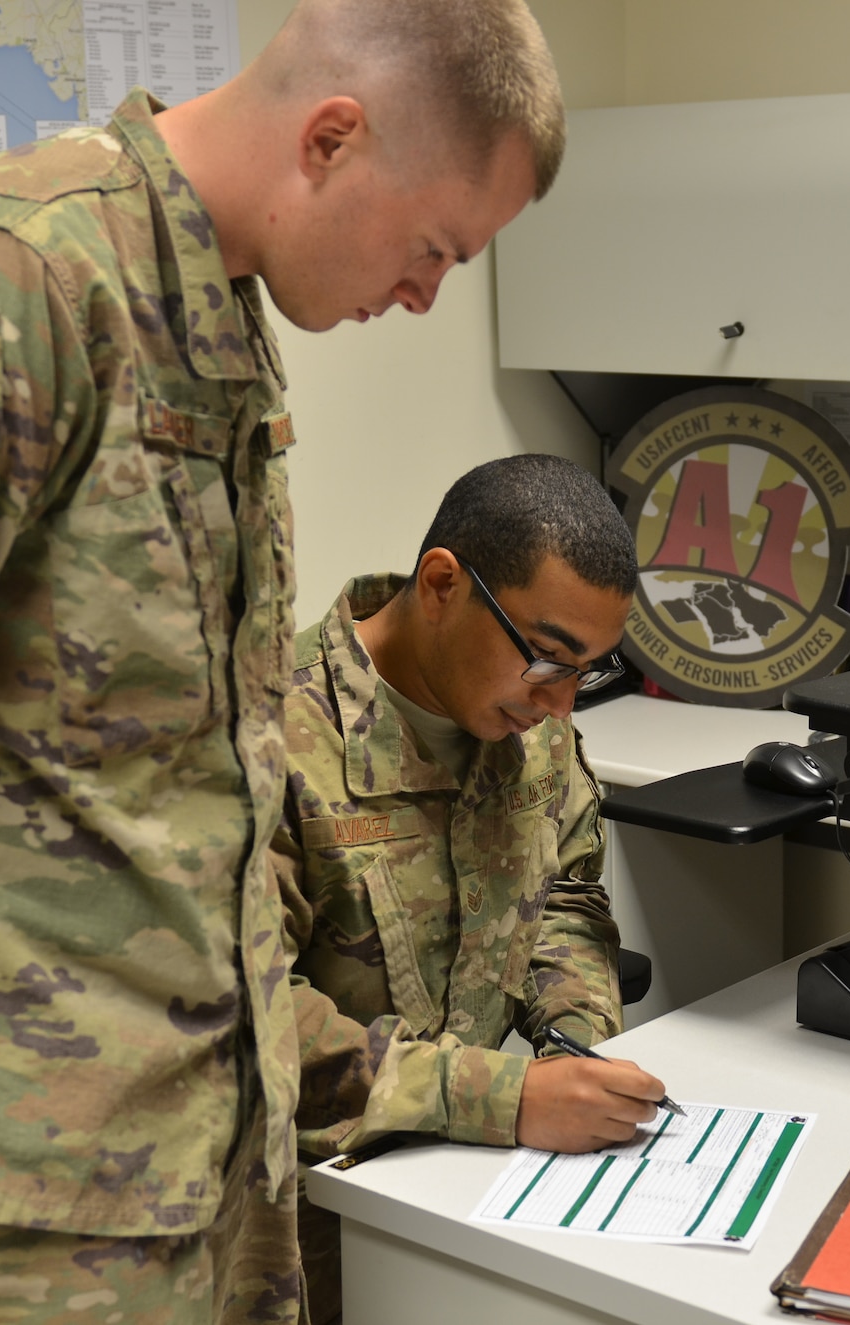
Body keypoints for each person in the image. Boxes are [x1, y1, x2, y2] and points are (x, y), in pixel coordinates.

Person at [0, 1, 564, 1319]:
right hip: (11, 1175)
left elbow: (184, 773)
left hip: (204, 1127)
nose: (426, 292)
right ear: (334, 136)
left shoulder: (213, 310)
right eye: (433, 246)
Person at [275, 454, 666, 1323]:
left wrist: (576, 1048)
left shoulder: (532, 731)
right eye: (546, 660)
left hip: (464, 1204)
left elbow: (562, 897)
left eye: (589, 670)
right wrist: (505, 1096)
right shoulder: (272, 733)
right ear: (443, 583)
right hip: (297, 1240)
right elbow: (246, 1015)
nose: (560, 705)